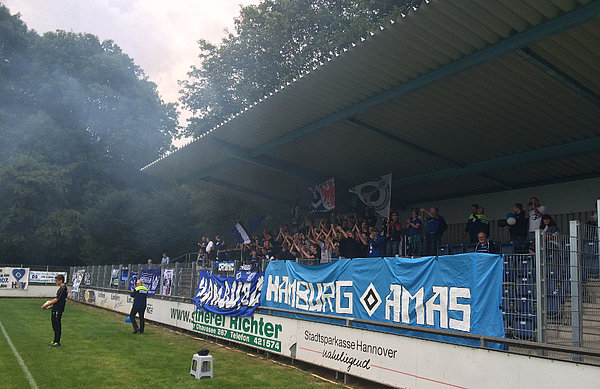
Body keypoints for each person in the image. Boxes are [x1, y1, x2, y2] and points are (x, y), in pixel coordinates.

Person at [41, 274, 67, 347]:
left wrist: (46, 304)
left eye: (56, 281)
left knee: (56, 325)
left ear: (60, 280)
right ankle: (55, 340)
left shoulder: (63, 288)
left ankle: (57, 341)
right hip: (55, 308)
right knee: (54, 325)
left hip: (58, 309)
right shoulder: (61, 288)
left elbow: (57, 299)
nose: (55, 282)